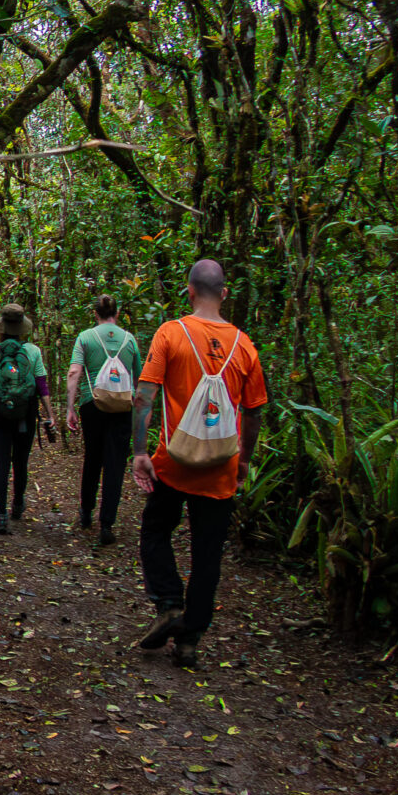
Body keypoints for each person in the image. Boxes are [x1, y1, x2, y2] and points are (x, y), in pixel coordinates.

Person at [130, 259, 267, 669]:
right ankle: (190, 640)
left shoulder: (171, 333)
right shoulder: (245, 346)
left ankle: (170, 603)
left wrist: (139, 452)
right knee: (208, 554)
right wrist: (244, 460)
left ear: (189, 290)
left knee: (155, 531)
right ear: (224, 294)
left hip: (174, 464)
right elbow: (256, 409)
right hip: (221, 467)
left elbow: (144, 397)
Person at [65, 293, 144, 546]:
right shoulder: (129, 339)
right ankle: (107, 523)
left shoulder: (85, 337)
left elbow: (74, 372)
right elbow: (139, 379)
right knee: (115, 464)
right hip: (122, 407)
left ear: (95, 314)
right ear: (117, 313)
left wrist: (70, 408)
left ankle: (86, 512)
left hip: (92, 404)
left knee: (93, 458)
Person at [0, 304, 56, 535]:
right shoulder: (33, 351)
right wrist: (50, 415)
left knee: (1, 461)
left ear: (2, 326)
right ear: (23, 327)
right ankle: (18, 504)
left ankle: (0, 515)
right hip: (25, 414)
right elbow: (41, 385)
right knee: (20, 461)